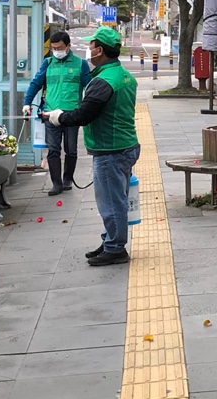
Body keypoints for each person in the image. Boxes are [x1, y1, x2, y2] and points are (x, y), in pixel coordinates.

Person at [41, 25, 140, 266]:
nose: (89, 48)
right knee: (115, 198)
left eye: (92, 45)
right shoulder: (123, 75)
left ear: (100, 51)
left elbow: (84, 115)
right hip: (124, 145)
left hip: (111, 149)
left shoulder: (104, 81)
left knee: (111, 202)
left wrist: (58, 117)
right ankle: (110, 241)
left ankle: (116, 248)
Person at [23, 30, 91, 196]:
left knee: (71, 150)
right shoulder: (47, 63)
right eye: (53, 48)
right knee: (53, 150)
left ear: (68, 46)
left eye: (60, 47)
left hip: (72, 114)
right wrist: (27, 103)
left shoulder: (80, 64)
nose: (56, 51)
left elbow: (90, 87)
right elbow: (35, 83)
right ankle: (56, 183)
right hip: (50, 114)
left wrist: (88, 109)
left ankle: (68, 179)